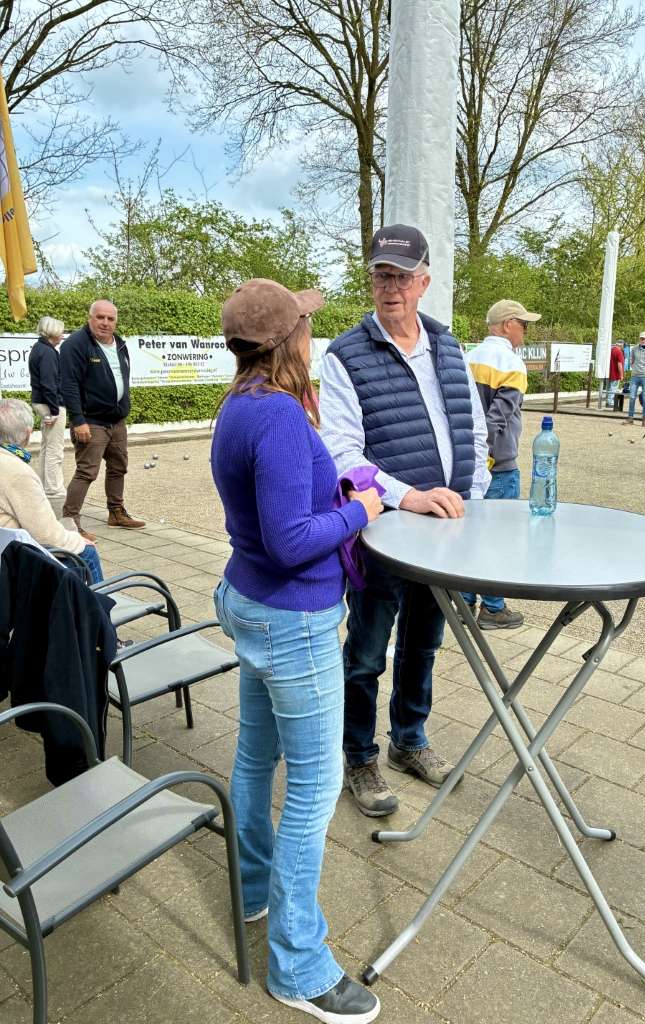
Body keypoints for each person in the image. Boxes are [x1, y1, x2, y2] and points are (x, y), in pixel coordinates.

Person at [210, 278, 383, 1024]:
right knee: (315, 786)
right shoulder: (278, 416)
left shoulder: (237, 405)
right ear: (290, 342)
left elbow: (268, 518)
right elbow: (289, 542)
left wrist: (327, 490)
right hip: (293, 618)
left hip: (249, 601)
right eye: (308, 324)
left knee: (255, 757)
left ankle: (253, 890)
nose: (315, 333)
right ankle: (298, 965)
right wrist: (360, 508)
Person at [319, 223, 491, 818]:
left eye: (401, 276)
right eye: (380, 275)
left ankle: (409, 740)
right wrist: (407, 496)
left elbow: (473, 428)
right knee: (368, 652)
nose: (390, 287)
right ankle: (358, 756)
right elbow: (341, 453)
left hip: (445, 529)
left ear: (424, 282)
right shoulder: (345, 354)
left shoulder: (448, 345)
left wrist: (474, 495)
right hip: (385, 532)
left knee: (423, 643)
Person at [461, 298, 539, 629]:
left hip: (466, 461)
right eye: (523, 324)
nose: (526, 331)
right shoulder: (512, 363)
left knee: (469, 534)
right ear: (508, 325)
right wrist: (487, 456)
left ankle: (464, 601)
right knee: (498, 537)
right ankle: (493, 608)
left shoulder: (467, 358)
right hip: (499, 463)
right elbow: (498, 417)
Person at [60, 300, 145, 541]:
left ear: (115, 321)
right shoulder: (75, 345)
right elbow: (69, 385)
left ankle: (116, 512)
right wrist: (78, 420)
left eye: (110, 318)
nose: (105, 323)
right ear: (90, 318)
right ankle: (69, 523)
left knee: (119, 467)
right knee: (86, 472)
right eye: (100, 317)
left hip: (117, 420)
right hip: (91, 421)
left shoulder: (120, 344)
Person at [0, 398, 103, 582]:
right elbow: (46, 535)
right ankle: (98, 601)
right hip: (14, 564)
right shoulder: (17, 472)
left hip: (9, 553)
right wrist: (79, 541)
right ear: (28, 433)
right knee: (88, 553)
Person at [28, 316, 67, 511]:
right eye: (61, 332)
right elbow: (49, 383)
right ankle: (54, 489)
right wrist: (54, 410)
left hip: (40, 402)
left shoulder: (38, 348)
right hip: (51, 404)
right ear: (52, 332)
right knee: (55, 448)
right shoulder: (48, 352)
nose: (62, 335)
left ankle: (45, 485)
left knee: (46, 446)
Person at [625, 331, 645, 426]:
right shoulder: (634, 348)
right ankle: (630, 418)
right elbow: (631, 360)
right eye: (641, 338)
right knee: (632, 397)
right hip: (635, 376)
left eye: (644, 338)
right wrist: (634, 368)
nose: (642, 340)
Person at [607, 340, 625, 409]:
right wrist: (621, 375)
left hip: (609, 373)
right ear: (621, 345)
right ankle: (610, 402)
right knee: (613, 388)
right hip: (615, 374)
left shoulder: (611, 350)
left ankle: (608, 401)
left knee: (609, 388)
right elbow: (619, 364)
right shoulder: (619, 352)